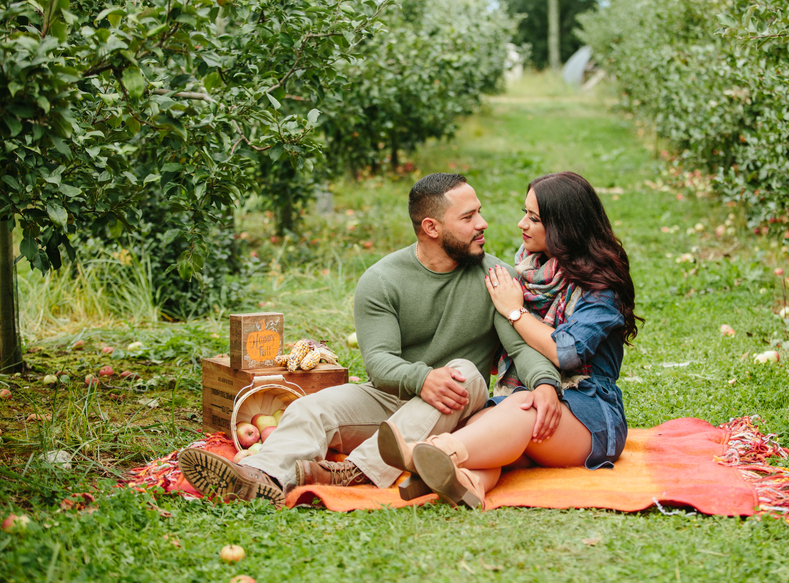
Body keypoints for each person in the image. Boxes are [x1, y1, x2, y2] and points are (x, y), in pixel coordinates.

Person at [178, 173, 562, 508]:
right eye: (468, 217)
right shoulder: (381, 280)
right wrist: (421, 380)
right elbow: (379, 364)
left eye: (478, 212)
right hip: (394, 398)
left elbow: (520, 347)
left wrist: (545, 384)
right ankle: (261, 479)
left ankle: (351, 472)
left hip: (459, 407)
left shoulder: (496, 275)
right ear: (431, 227)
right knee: (312, 408)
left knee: (461, 372)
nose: (483, 223)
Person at [378, 171, 641, 509]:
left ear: (564, 226)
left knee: (518, 408)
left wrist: (516, 313)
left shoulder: (601, 288)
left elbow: (569, 352)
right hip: (535, 399)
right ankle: (467, 482)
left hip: (589, 409)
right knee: (482, 424)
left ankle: (427, 453)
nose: (521, 224)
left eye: (533, 218)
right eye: (524, 212)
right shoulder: (528, 273)